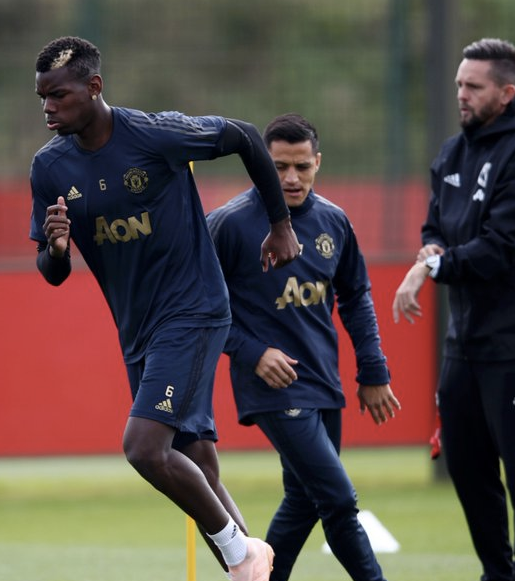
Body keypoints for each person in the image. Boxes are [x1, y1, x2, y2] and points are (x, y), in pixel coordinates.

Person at [29, 36, 300, 581]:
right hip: (138, 331)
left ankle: (241, 555)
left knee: (144, 448)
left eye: (58, 95)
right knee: (197, 465)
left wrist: (280, 225)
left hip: (194, 310)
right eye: (42, 98)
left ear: (94, 87)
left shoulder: (154, 134)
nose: (48, 108)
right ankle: (250, 564)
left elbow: (246, 137)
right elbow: (52, 272)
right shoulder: (49, 167)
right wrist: (56, 250)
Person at [393, 38, 515, 581]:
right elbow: (435, 227)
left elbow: (501, 246)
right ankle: (497, 572)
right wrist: (431, 252)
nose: (461, 94)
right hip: (464, 345)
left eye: (473, 86)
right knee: (467, 470)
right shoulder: (452, 152)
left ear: (506, 93)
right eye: (458, 84)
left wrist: (431, 269)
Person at [207, 113, 402, 581]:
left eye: (301, 166)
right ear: (261, 164)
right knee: (338, 500)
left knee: (304, 500)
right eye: (279, 166)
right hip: (272, 387)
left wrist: (373, 370)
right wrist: (253, 352)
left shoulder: (334, 221)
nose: (291, 178)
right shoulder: (229, 224)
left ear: (317, 163)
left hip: (322, 379)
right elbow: (198, 307)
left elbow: (356, 296)